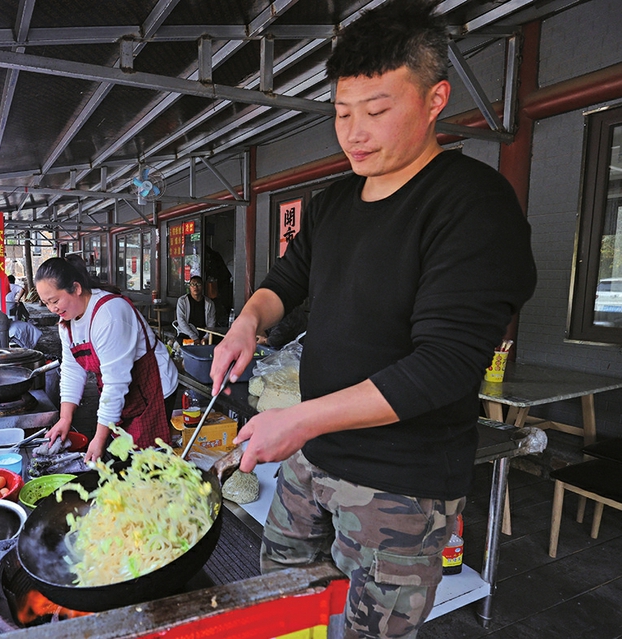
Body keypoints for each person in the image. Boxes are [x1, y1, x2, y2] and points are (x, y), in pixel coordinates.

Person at [208, 2, 537, 637]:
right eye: (342, 113)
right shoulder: (333, 202)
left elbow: (441, 367)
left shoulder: (472, 206)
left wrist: (297, 419)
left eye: (378, 111)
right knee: (284, 604)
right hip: (315, 459)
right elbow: (284, 284)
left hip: (401, 486)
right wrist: (246, 323)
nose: (355, 132)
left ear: (435, 98)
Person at [36, 255, 179, 462]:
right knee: (124, 452)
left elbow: (115, 383)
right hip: (123, 392)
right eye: (46, 303)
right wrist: (65, 418)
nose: (52, 309)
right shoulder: (66, 323)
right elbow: (72, 369)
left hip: (153, 388)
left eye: (55, 300)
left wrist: (99, 438)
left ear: (76, 288)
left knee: (146, 460)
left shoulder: (110, 313)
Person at [175, 276, 217, 344]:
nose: (195, 287)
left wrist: (205, 338)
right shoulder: (182, 301)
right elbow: (181, 321)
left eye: (198, 284)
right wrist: (194, 337)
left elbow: (211, 323)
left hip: (204, 334)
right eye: (193, 284)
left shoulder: (209, 303)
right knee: (183, 343)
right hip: (187, 333)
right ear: (189, 287)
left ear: (202, 286)